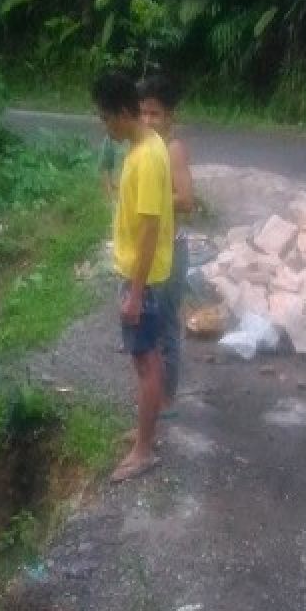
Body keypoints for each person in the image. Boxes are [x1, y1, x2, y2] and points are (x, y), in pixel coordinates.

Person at [91, 72, 174, 483]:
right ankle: (145, 432)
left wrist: (136, 293)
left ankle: (144, 450)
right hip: (143, 275)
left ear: (123, 113)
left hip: (145, 279)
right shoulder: (146, 146)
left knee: (146, 363)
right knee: (148, 361)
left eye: (106, 119)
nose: (105, 127)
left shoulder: (147, 157)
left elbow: (149, 229)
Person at [137, 75, 194, 413]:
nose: (147, 120)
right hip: (154, 250)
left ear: (170, 116)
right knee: (153, 328)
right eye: (142, 113)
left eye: (154, 114)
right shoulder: (146, 149)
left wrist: (149, 199)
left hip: (171, 251)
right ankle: (156, 397)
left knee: (166, 328)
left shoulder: (172, 150)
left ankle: (167, 399)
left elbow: (186, 200)